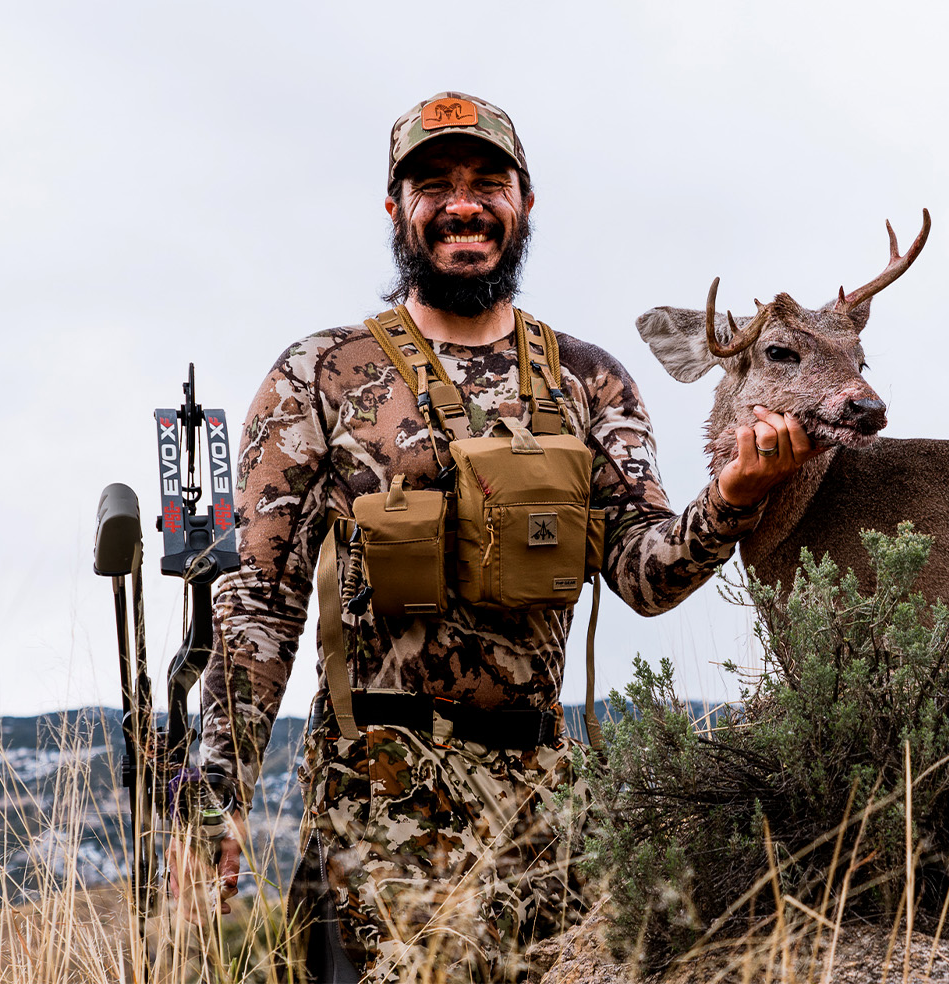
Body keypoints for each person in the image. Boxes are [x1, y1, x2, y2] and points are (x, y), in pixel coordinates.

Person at [172, 91, 815, 981]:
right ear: (397, 210)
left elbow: (645, 573)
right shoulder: (320, 373)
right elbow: (261, 602)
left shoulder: (591, 380)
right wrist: (216, 803)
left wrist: (736, 495)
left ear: (525, 203)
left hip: (542, 814)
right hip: (376, 805)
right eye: (434, 185)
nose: (463, 204)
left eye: (487, 182)